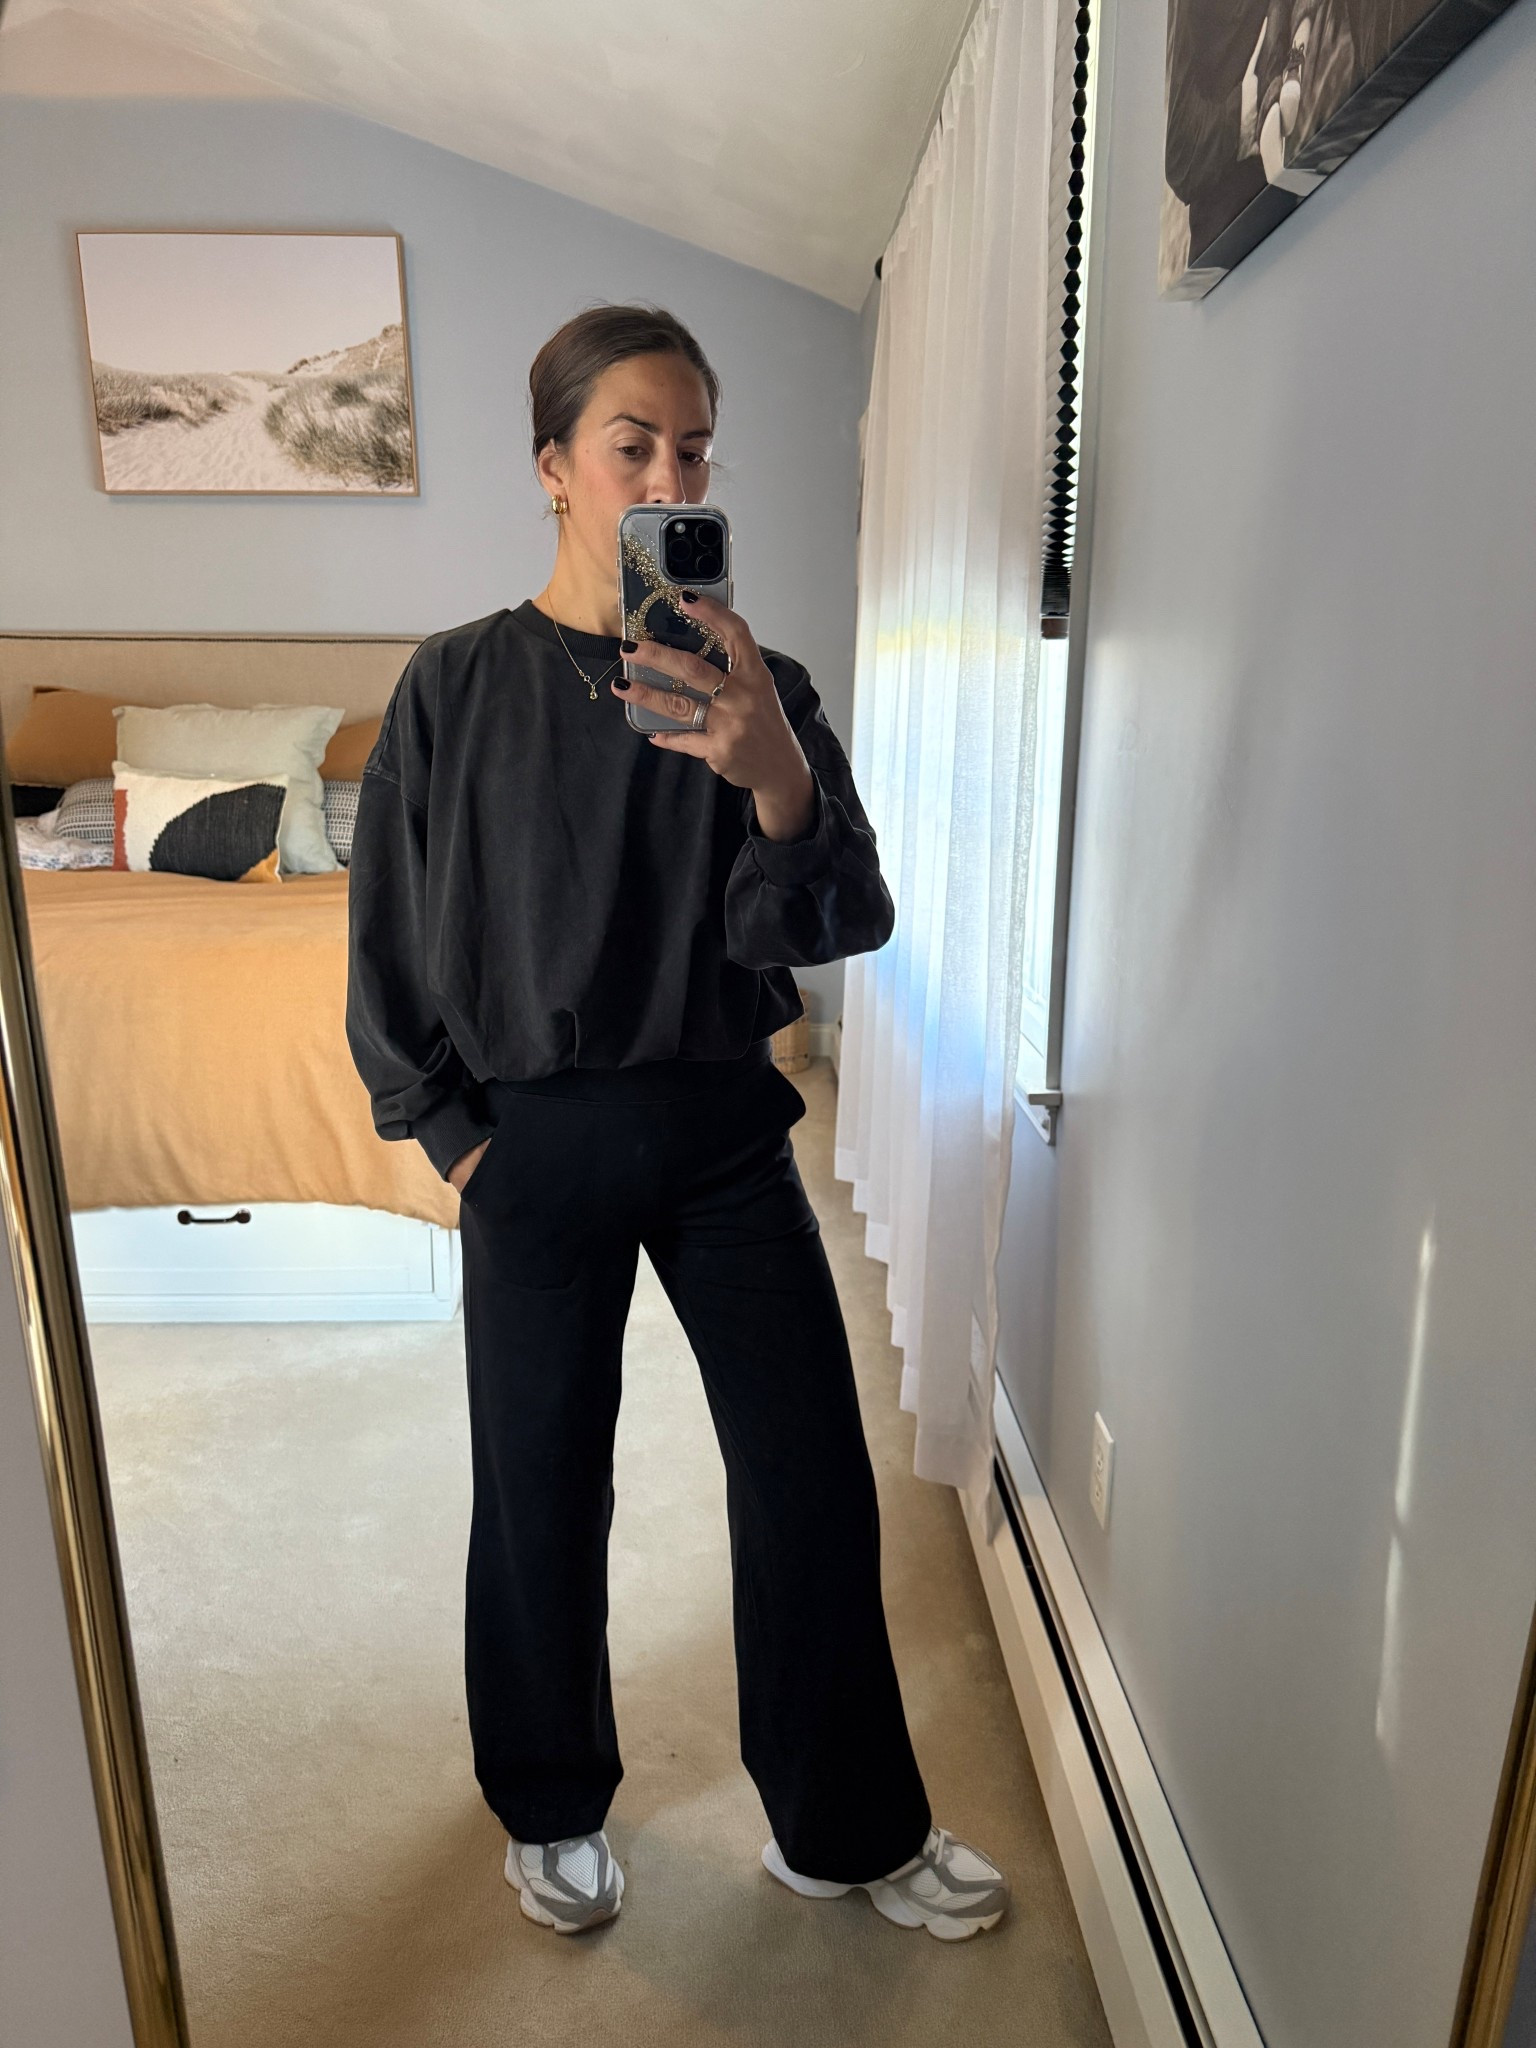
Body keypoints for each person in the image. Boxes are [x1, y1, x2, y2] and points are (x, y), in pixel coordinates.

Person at [345, 302, 1009, 1941]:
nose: (668, 478)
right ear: (554, 468)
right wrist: (455, 1135)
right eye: (632, 446)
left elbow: (842, 919)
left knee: (811, 1483)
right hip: (533, 1145)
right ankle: (553, 1806)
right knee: (540, 1489)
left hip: (723, 1137)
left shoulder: (761, 683)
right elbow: (389, 940)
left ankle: (844, 1828)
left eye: (694, 451)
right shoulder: (455, 686)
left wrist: (773, 771)